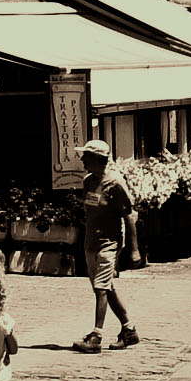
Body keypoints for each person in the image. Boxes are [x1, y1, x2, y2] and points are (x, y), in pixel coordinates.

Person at [74, 139, 141, 353]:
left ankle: (96, 336)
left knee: (101, 288)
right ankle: (129, 330)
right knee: (106, 287)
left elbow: (129, 216)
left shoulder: (115, 183)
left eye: (86, 156)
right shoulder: (87, 181)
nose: (82, 160)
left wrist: (134, 249)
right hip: (91, 243)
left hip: (109, 244)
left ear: (97, 159)